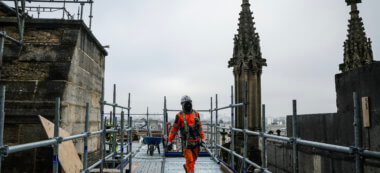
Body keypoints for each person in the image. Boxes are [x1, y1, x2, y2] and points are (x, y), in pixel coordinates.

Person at [167, 95, 205, 173]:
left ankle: (187, 167)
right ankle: (190, 171)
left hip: (196, 142)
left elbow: (200, 127)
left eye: (189, 102)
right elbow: (174, 129)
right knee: (190, 161)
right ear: (182, 104)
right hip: (187, 143)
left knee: (193, 160)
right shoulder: (179, 116)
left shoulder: (196, 114)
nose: (188, 105)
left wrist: (202, 138)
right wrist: (170, 140)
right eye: (186, 103)